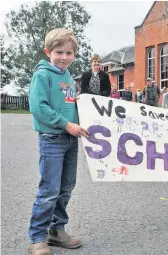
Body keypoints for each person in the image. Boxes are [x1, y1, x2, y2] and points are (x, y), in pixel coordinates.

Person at [28, 28, 89, 255]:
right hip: (52, 139)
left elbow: (68, 105)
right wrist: (66, 124)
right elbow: (39, 108)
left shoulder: (68, 79)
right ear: (48, 52)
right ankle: (37, 236)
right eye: (58, 52)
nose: (64, 57)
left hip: (70, 140)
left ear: (74, 54)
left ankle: (57, 229)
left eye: (69, 53)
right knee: (49, 189)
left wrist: (81, 105)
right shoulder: (42, 75)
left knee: (66, 188)